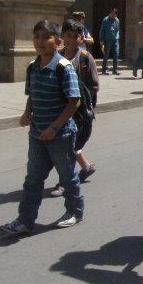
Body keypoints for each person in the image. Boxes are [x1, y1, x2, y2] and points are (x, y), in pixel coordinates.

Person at [0, 20, 83, 234]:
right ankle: (25, 220)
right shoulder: (32, 67)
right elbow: (32, 96)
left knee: (67, 177)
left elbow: (74, 102)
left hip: (60, 135)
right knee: (33, 179)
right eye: (36, 37)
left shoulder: (63, 68)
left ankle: (74, 211)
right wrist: (27, 113)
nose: (39, 41)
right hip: (37, 134)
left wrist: (54, 128)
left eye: (45, 37)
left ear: (57, 42)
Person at [50, 20, 100, 197]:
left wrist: (87, 106)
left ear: (81, 38)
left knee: (68, 147)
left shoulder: (86, 58)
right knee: (67, 145)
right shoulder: (56, 57)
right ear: (62, 37)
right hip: (62, 111)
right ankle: (85, 167)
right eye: (68, 35)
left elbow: (94, 86)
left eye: (75, 36)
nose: (71, 40)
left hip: (79, 113)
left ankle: (65, 182)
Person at [99, 8, 120, 75]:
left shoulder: (117, 20)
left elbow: (118, 30)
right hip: (107, 39)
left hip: (115, 40)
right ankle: (104, 69)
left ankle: (115, 70)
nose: (112, 15)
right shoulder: (105, 20)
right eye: (111, 13)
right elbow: (102, 30)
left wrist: (117, 35)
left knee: (116, 54)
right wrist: (101, 40)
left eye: (114, 14)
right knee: (106, 54)